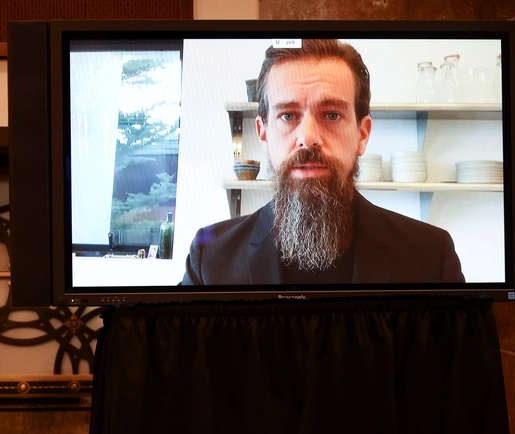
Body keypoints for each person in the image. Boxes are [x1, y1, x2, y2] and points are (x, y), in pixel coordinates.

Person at [182, 39, 464, 285]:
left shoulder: (430, 257)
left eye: (331, 115)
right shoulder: (209, 259)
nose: (308, 137)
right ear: (263, 134)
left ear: (362, 134)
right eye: (288, 116)